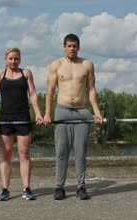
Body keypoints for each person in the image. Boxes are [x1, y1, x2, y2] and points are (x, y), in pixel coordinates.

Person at [43, 33, 103, 200]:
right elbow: (50, 91)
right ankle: (59, 187)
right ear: (64, 47)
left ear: (79, 47)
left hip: (82, 111)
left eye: (75, 46)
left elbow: (91, 90)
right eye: (69, 46)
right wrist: (47, 113)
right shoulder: (56, 65)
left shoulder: (87, 65)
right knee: (61, 151)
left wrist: (97, 112)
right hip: (62, 110)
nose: (72, 49)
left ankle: (81, 187)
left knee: (80, 151)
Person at [0, 47, 43, 201]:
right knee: (6, 154)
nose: (13, 61)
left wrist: (38, 114)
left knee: (24, 154)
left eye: (16, 59)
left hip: (23, 117)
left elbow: (32, 94)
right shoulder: (0, 74)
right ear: (5, 59)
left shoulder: (26, 73)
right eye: (11, 58)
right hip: (5, 118)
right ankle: (5, 189)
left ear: (20, 59)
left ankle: (26, 188)